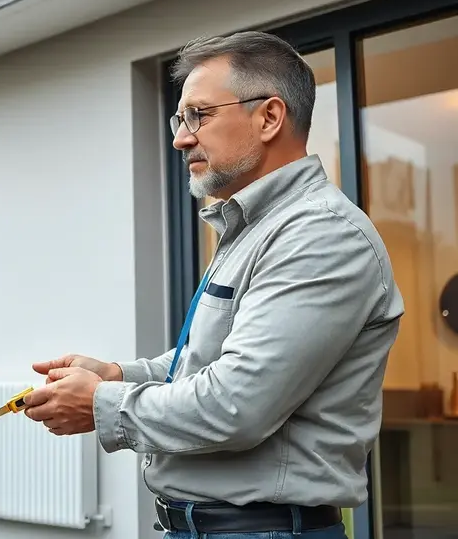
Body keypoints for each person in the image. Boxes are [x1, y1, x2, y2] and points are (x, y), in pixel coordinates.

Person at [21, 31, 403, 538]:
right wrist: (116, 373)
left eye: (199, 115)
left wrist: (99, 403)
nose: (181, 137)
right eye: (180, 119)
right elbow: (205, 367)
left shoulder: (320, 235)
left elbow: (235, 405)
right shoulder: (251, 229)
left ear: (269, 117)